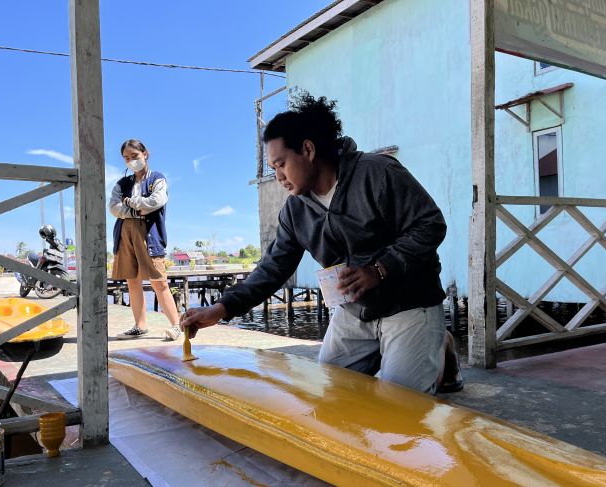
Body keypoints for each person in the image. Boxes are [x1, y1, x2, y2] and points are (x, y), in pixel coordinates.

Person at [180, 94, 462, 394]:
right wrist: (221, 309)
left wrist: (379, 269)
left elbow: (430, 224)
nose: (278, 177)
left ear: (308, 149)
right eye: (273, 169)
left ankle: (437, 347)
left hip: (410, 304)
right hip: (355, 311)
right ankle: (432, 345)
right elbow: (273, 269)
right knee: (329, 398)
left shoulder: (377, 173)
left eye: (281, 164)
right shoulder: (294, 211)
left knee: (400, 406)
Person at [109, 138, 182, 340]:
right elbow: (113, 207)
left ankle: (177, 325)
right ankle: (140, 325)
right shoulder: (122, 183)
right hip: (125, 233)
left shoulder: (158, 178)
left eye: (135, 156)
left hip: (150, 235)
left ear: (145, 154)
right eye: (126, 158)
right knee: (132, 281)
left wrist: (131, 203)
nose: (131, 160)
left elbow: (156, 201)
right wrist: (135, 211)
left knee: (159, 282)